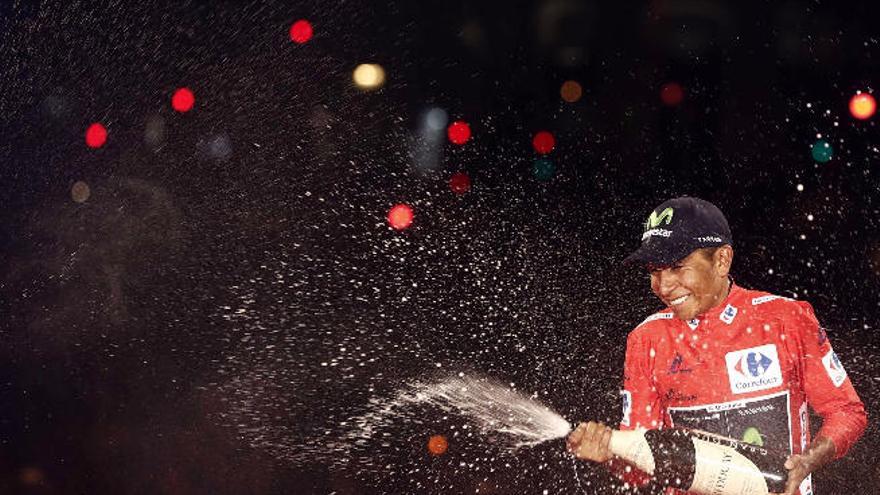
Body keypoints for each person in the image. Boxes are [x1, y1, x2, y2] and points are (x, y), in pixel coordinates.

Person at [566, 197, 867, 495]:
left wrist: (808, 461)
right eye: (654, 271)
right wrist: (610, 455)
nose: (663, 286)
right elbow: (643, 465)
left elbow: (847, 412)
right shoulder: (646, 339)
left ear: (722, 260)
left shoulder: (786, 318)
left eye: (676, 267)